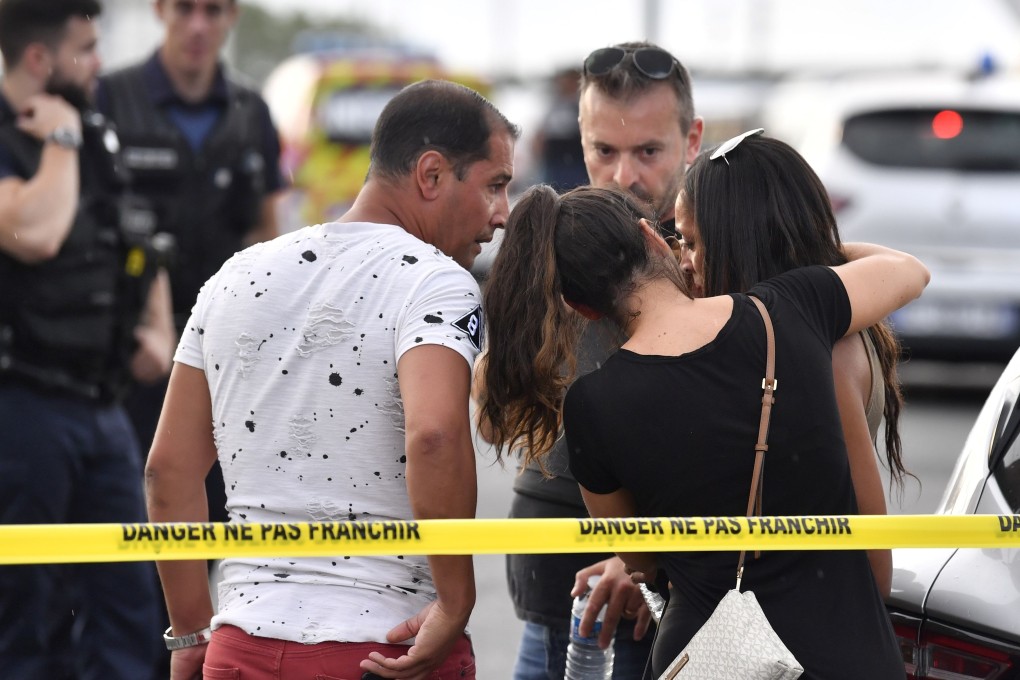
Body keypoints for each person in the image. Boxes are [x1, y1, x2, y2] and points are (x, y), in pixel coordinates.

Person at [478, 132, 929, 679]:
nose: (688, 258)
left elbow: (642, 560)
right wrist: (822, 254)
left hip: (707, 655)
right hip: (842, 653)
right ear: (653, 238)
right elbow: (908, 271)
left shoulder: (590, 406)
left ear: (580, 307)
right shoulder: (788, 309)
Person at [144, 79, 518, 680]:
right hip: (382, 646)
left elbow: (168, 471)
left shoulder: (234, 276)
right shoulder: (435, 281)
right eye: (494, 185)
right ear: (431, 175)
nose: (502, 213)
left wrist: (190, 634)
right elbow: (434, 436)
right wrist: (455, 602)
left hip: (241, 645)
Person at [476, 41, 703, 679]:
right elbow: (494, 422)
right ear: (580, 142)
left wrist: (646, 557)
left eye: (648, 152)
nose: (624, 175)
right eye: (604, 151)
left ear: (692, 141)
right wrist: (526, 322)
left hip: (672, 605)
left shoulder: (714, 251)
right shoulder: (552, 243)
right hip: (556, 601)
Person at [0, 0, 174, 677]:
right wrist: (61, 142)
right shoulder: (34, 138)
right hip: (22, 406)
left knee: (129, 595)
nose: (100, 62)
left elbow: (139, 234)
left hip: (103, 407)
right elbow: (35, 233)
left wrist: (157, 327)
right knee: (26, 605)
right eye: (86, 48)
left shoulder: (95, 134)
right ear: (39, 58)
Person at [675, 129, 913, 596]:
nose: (683, 262)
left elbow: (870, 560)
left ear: (742, 244)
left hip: (797, 623)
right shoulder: (782, 332)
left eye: (693, 243)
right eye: (679, 240)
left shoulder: (820, 353)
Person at [95, 0, 286, 530]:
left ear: (233, 16)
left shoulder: (252, 112)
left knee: (217, 516)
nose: (199, 25)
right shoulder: (111, 98)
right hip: (136, 357)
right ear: (160, 10)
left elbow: (267, 235)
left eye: (213, 10)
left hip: (223, 357)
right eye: (185, 9)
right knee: (130, 522)